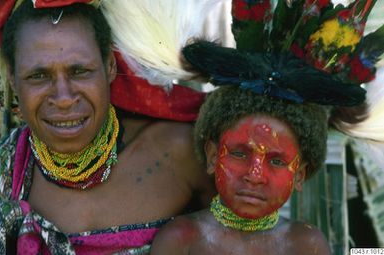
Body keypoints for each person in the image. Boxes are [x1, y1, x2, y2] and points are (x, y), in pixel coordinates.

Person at [151, 0, 384, 253]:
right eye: (240, 153)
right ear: (211, 155)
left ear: (300, 175)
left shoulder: (306, 245)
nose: (255, 175)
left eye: (276, 161)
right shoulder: (182, 239)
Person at [0, 1, 215, 254]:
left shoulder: (180, 154)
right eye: (38, 76)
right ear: (13, 77)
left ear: (110, 66)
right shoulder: (7, 169)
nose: (64, 98)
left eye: (80, 71)